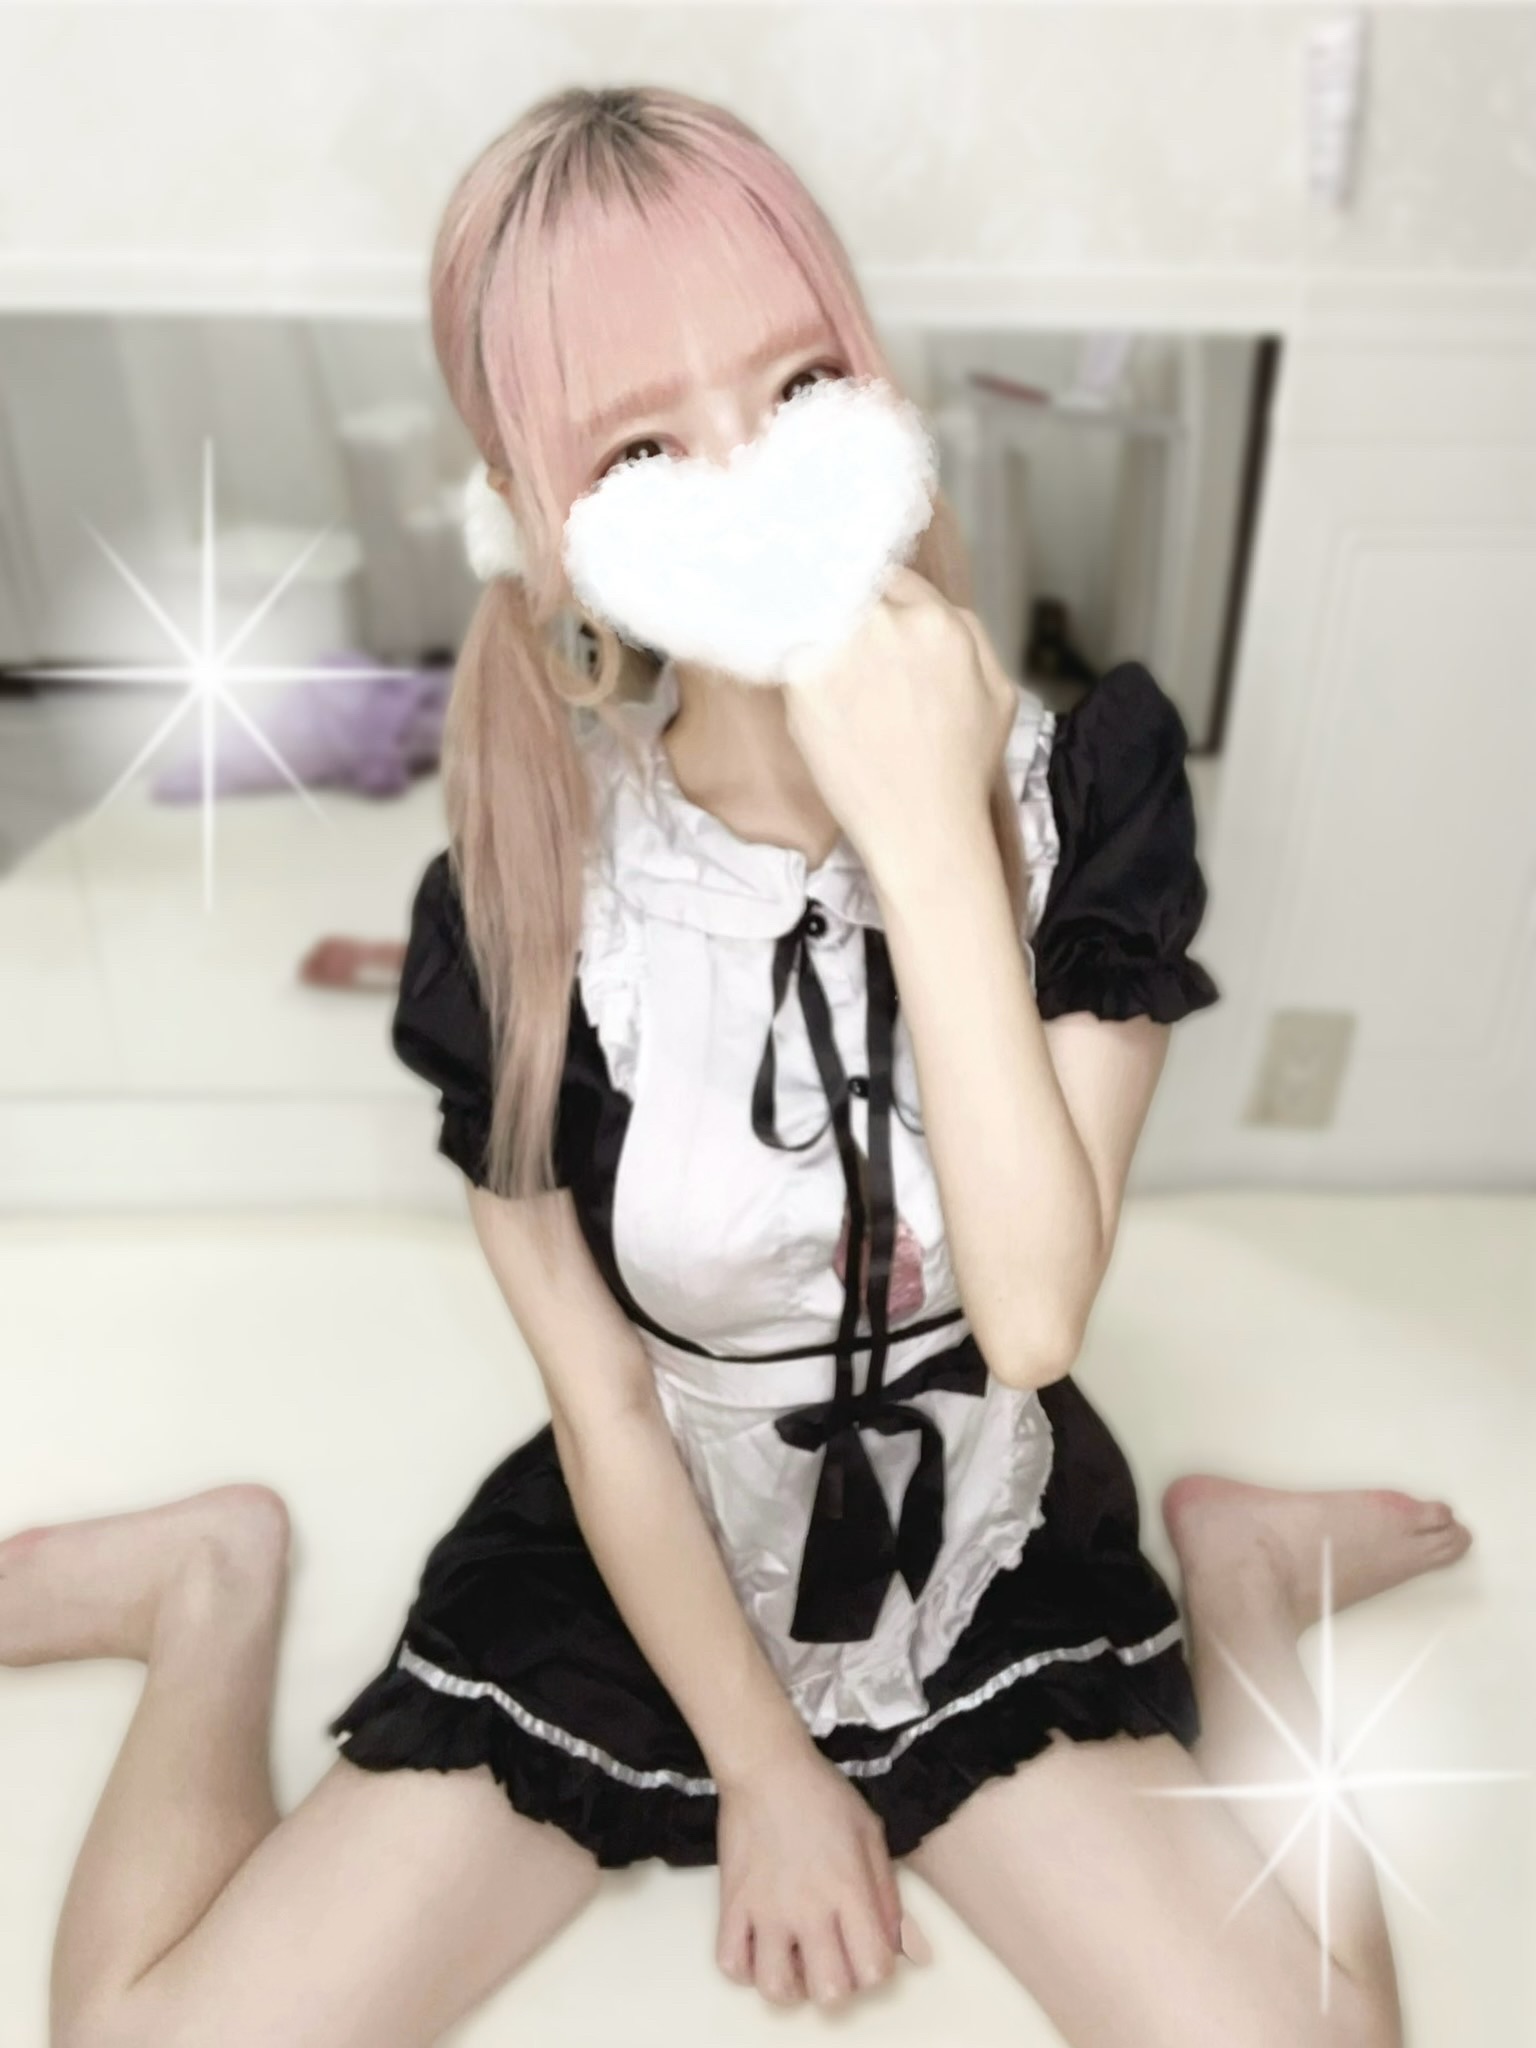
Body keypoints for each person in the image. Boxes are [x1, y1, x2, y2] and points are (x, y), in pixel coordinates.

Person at [2, 86, 1472, 2048]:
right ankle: (207, 1589)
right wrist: (769, 1771)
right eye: (640, 442)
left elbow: (1034, 1314)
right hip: (649, 1547)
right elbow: (608, 1400)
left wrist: (930, 833)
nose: (752, 477)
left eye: (798, 388)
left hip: (977, 1532)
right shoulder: (530, 903)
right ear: (541, 520)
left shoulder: (1082, 793)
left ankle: (1250, 1582)